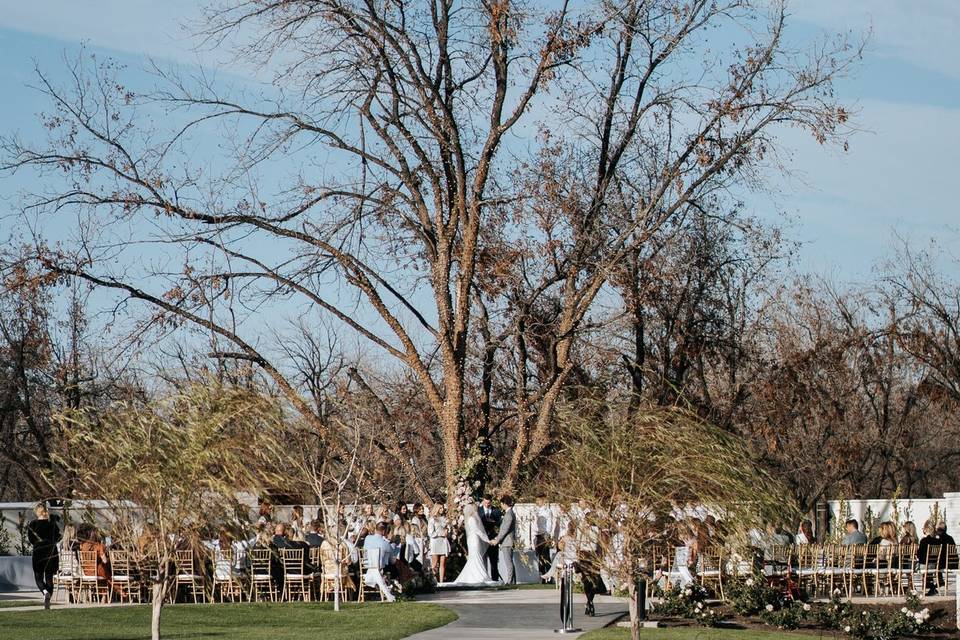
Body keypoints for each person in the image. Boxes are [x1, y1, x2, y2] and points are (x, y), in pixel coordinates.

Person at [26, 503, 61, 609]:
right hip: (51, 551)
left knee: (38, 577)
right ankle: (48, 598)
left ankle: (45, 592)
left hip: (39, 552)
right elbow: (58, 537)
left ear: (37, 512)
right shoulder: (52, 523)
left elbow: (31, 539)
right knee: (49, 577)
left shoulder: (33, 524)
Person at [451, 502, 494, 584]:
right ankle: (478, 575)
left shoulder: (471, 519)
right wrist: (487, 540)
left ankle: (475, 574)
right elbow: (477, 531)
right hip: (474, 540)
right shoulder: (472, 519)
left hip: (472, 539)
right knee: (475, 556)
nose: (477, 510)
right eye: (475, 508)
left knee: (475, 557)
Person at [362, 523, 397, 601]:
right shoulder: (385, 543)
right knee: (395, 566)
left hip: (365, 566)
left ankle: (387, 587)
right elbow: (392, 560)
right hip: (378, 568)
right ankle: (393, 587)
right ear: (384, 531)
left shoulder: (367, 538)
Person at [492, 495, 517, 584]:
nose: (501, 506)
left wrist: (497, 540)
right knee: (509, 562)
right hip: (506, 541)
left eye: (501, 504)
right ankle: (512, 580)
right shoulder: (508, 514)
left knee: (508, 562)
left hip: (507, 542)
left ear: (504, 503)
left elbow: (505, 529)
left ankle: (510, 581)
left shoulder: (509, 514)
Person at [479, 494, 501, 581]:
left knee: (494, 560)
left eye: (489, 503)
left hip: (493, 539)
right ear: (483, 501)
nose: (487, 505)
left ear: (491, 502)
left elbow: (500, 525)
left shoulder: (496, 511)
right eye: (485, 503)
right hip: (482, 539)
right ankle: (484, 578)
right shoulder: (478, 511)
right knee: (483, 560)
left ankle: (495, 579)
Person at [533, 497, 555, 582]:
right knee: (540, 557)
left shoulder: (547, 511)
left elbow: (549, 523)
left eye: (538, 500)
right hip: (538, 535)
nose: (537, 502)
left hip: (544, 535)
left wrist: (547, 534)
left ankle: (549, 577)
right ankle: (542, 576)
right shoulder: (536, 511)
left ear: (543, 501)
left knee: (546, 556)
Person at [428, 504, 450, 583]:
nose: (442, 509)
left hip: (443, 541)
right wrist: (440, 533)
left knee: (443, 562)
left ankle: (441, 582)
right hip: (435, 542)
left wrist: (448, 527)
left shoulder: (444, 518)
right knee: (434, 562)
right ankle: (433, 580)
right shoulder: (432, 519)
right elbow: (430, 533)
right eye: (440, 508)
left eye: (442, 508)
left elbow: (448, 530)